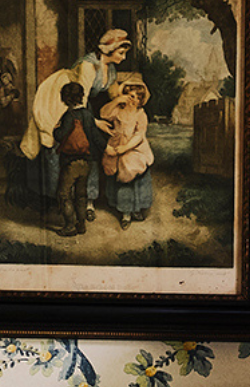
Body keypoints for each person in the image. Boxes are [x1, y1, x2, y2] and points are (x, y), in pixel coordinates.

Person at [18, 25, 134, 212]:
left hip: (80, 103)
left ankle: (85, 198)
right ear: (109, 50)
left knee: (85, 144)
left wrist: (125, 96)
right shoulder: (89, 66)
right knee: (57, 137)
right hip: (64, 96)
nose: (123, 57)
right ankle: (55, 198)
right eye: (121, 52)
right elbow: (81, 99)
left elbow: (113, 91)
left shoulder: (110, 69)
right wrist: (95, 123)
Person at [97, 74, 155, 229]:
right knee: (112, 171)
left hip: (133, 148)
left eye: (136, 97)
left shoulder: (140, 114)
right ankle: (117, 205)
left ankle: (128, 213)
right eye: (129, 96)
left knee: (128, 171)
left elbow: (139, 135)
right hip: (116, 145)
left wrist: (125, 148)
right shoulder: (118, 110)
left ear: (141, 100)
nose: (132, 99)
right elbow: (103, 114)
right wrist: (116, 101)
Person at [48, 82, 98, 237]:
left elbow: (60, 136)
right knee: (81, 195)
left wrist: (56, 129)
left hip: (71, 162)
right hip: (86, 162)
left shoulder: (69, 116)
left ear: (65, 98)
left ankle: (70, 226)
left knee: (64, 193)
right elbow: (95, 137)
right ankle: (81, 224)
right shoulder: (88, 114)